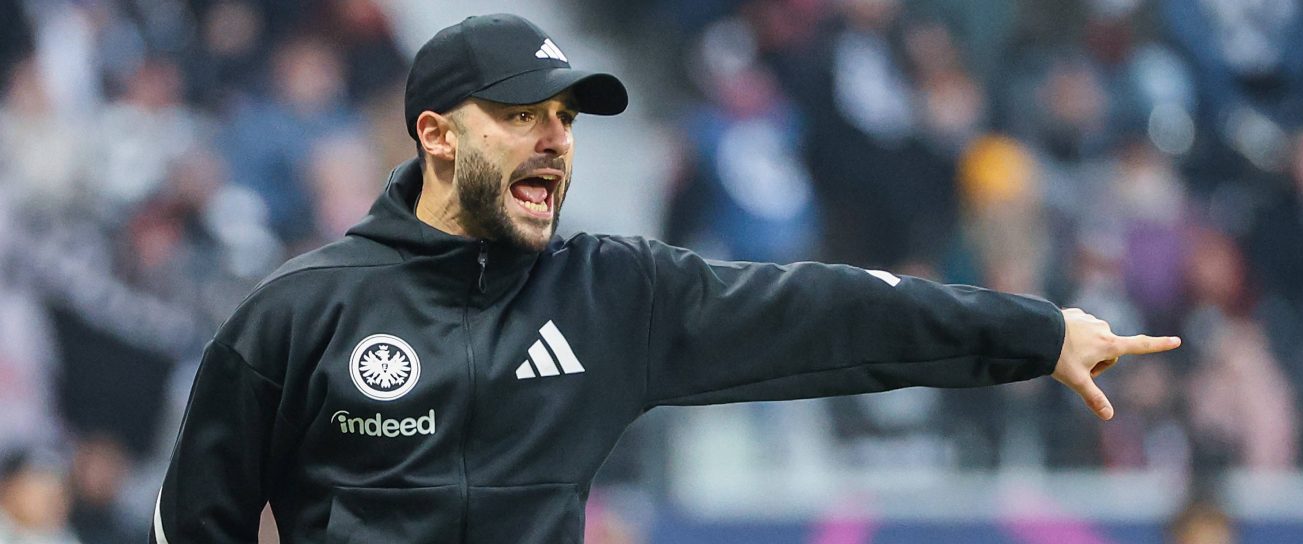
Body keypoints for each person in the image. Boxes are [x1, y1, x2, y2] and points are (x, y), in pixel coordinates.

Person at [151, 13, 1181, 543]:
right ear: (436, 135)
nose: (556, 140)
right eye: (521, 115)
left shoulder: (613, 297)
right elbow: (196, 524)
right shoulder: (298, 313)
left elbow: (833, 315)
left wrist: (1034, 332)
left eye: (565, 119)